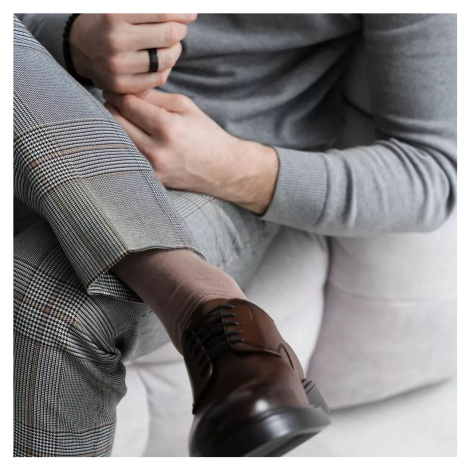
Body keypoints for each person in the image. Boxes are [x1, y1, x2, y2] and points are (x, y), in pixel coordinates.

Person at [14, 13, 456, 457]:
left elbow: (432, 171)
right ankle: (210, 307)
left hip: (205, 178)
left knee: (54, 300)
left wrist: (229, 167)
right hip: (28, 106)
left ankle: (194, 298)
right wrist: (71, 36)